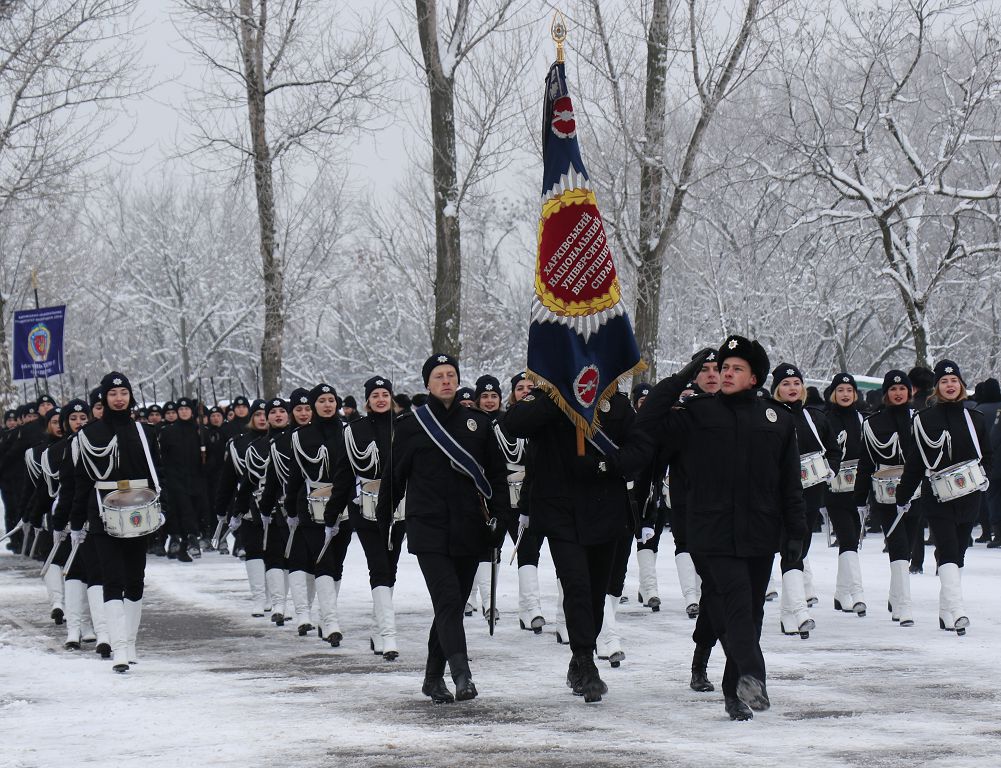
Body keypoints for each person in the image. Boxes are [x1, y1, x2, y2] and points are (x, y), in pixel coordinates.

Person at [617, 336, 806, 720]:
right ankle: (753, 675)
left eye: (736, 368)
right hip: (712, 533)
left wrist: (796, 534)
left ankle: (733, 691)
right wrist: (680, 378)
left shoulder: (777, 421)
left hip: (759, 532)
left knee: (750, 613)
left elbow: (790, 484)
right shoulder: (696, 414)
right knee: (737, 604)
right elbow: (648, 420)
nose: (726, 374)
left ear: (755, 378)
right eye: (723, 368)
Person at [377, 354, 508, 704]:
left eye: (451, 375)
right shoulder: (410, 425)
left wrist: (501, 519)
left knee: (449, 606)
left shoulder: (479, 424)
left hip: (470, 527)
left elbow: (496, 476)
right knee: (449, 599)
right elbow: (393, 479)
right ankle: (462, 675)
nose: (446, 381)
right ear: (427, 383)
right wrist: (383, 524)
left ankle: (432, 679)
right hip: (428, 528)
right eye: (439, 376)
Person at [505, 372, 637, 703]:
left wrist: (607, 466)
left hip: (604, 509)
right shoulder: (549, 399)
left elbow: (638, 450)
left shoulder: (616, 404)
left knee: (595, 591)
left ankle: (581, 657)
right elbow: (514, 423)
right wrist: (559, 394)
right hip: (560, 509)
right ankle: (585, 660)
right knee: (576, 585)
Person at [71, 373, 162, 673]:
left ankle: (131, 641)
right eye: (113, 393)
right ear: (104, 398)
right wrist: (76, 523)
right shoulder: (89, 435)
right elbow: (81, 482)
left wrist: (163, 510)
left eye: (124, 392)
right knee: (112, 579)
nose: (119, 398)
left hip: (138, 512)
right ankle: (119, 648)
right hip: (102, 514)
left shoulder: (143, 432)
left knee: (135, 579)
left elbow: (157, 475)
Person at [894, 361, 992, 635]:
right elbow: (915, 461)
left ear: (961, 385)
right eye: (945, 381)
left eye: (955, 381)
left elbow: (988, 457)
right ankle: (957, 610)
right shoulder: (924, 420)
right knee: (947, 549)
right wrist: (904, 493)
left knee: (959, 551)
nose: (950, 385)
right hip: (937, 497)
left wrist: (984, 477)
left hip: (969, 496)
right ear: (937, 387)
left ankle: (946, 611)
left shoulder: (975, 419)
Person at [770, 363, 840, 637]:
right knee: (789, 548)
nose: (792, 388)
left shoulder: (816, 418)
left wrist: (829, 469)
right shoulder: (769, 415)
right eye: (786, 384)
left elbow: (833, 450)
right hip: (777, 498)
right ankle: (798, 612)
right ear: (777, 389)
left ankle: (790, 614)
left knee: (799, 549)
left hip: (809, 496)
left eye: (796, 383)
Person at [287, 383, 355, 646]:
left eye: (331, 400)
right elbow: (295, 478)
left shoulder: (347, 432)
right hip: (312, 506)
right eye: (322, 401)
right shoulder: (300, 437)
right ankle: (330, 621)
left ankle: (328, 616)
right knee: (323, 561)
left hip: (345, 504)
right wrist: (292, 510)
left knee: (337, 563)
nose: (327, 405)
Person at [343, 376, 406, 659]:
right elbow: (344, 473)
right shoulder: (354, 430)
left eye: (385, 394)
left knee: (390, 569)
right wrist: (336, 511)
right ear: (367, 400)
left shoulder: (405, 426)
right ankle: (389, 636)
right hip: (365, 509)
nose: (381, 399)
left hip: (398, 508)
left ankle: (378, 629)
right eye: (375, 395)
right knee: (379, 567)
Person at [853, 370, 918, 625]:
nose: (898, 393)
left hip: (916, 492)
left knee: (909, 545)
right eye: (893, 389)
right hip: (886, 491)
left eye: (903, 388)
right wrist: (860, 498)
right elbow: (866, 462)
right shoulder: (872, 423)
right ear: (886, 393)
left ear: (910, 392)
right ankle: (904, 605)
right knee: (898, 545)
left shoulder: (919, 419)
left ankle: (896, 594)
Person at [257, 388, 313, 626]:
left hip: (318, 509)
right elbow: (272, 481)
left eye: (306, 408)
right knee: (285, 557)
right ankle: (285, 606)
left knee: (313, 562)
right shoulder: (279, 443)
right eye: (296, 409)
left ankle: (308, 610)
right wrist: (263, 509)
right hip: (285, 508)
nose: (302, 413)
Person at [824, 373, 867, 617]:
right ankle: (857, 594)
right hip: (835, 492)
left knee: (852, 541)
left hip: (858, 491)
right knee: (849, 538)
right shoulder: (825, 420)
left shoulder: (863, 419)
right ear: (833, 393)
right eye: (840, 389)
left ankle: (841, 595)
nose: (845, 394)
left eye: (849, 390)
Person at [158, 396, 208, 561]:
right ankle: (184, 538)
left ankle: (185, 545)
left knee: (194, 509)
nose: (184, 412)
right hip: (175, 478)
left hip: (195, 478)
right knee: (181, 510)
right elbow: (163, 456)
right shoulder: (168, 432)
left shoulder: (199, 431)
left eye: (187, 409)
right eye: (181, 409)